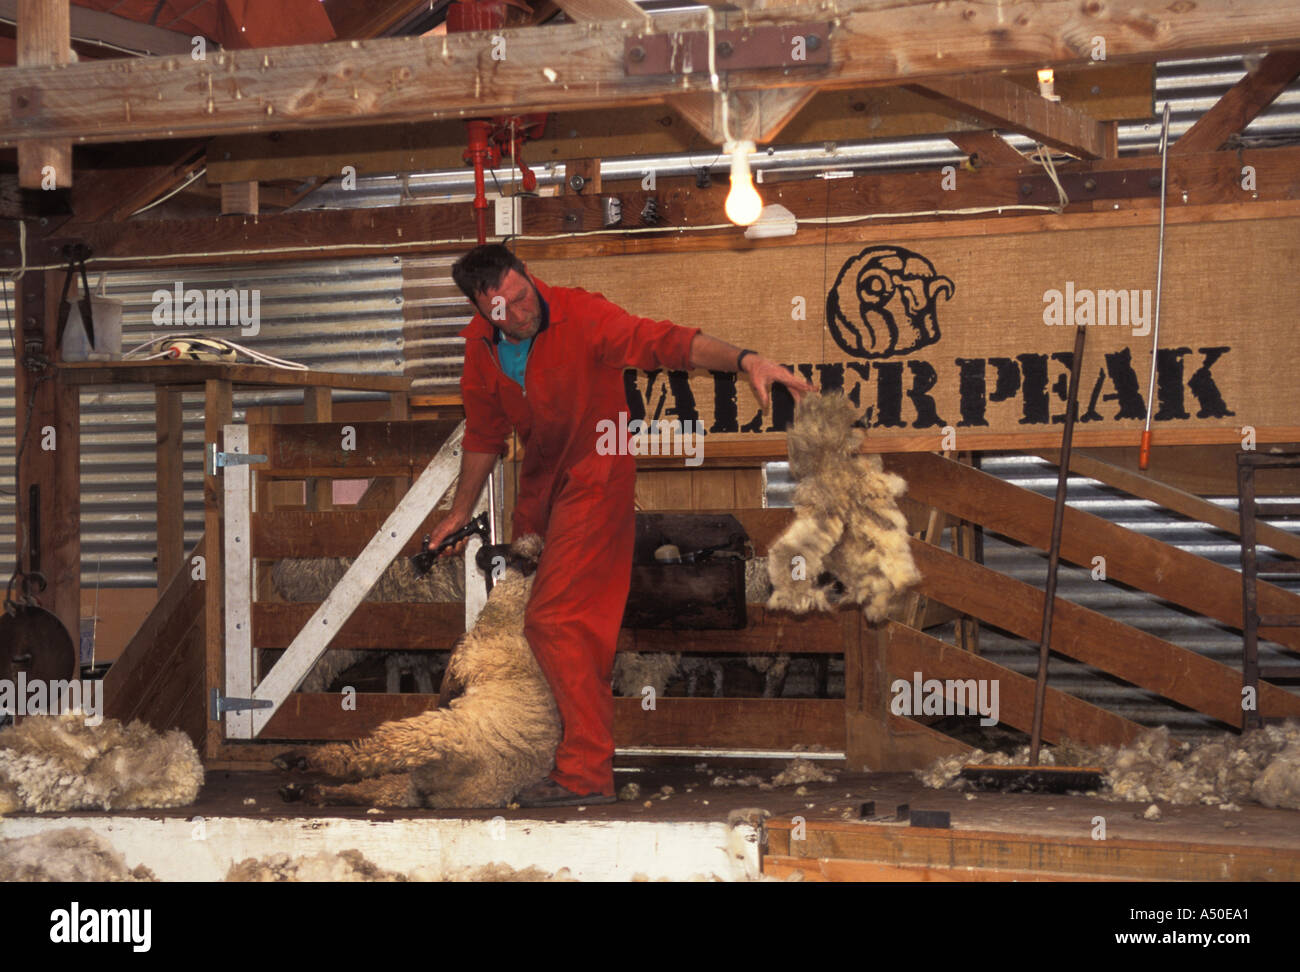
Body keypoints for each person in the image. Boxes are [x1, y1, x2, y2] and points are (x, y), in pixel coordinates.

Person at [425, 244, 812, 807]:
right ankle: (547, 752)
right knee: (539, 632)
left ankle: (584, 774)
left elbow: (669, 343)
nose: (520, 310)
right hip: (540, 494)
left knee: (557, 621)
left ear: (530, 277)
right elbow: (485, 435)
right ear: (483, 313)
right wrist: (461, 511)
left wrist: (746, 359)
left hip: (597, 480)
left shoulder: (583, 316)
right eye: (503, 307)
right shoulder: (480, 353)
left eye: (523, 294)